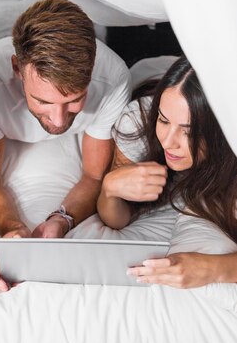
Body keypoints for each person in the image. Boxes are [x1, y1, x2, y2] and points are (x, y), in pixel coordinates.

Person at [0, 0, 131, 290]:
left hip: (69, 17)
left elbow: (94, 175)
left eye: (74, 100)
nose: (58, 120)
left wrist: (61, 219)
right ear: (18, 69)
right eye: (43, 101)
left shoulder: (114, 78)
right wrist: (12, 228)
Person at [97, 55, 237, 287]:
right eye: (163, 121)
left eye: (188, 131)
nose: (168, 142)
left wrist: (213, 268)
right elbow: (117, 220)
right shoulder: (139, 122)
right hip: (149, 67)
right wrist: (109, 189)